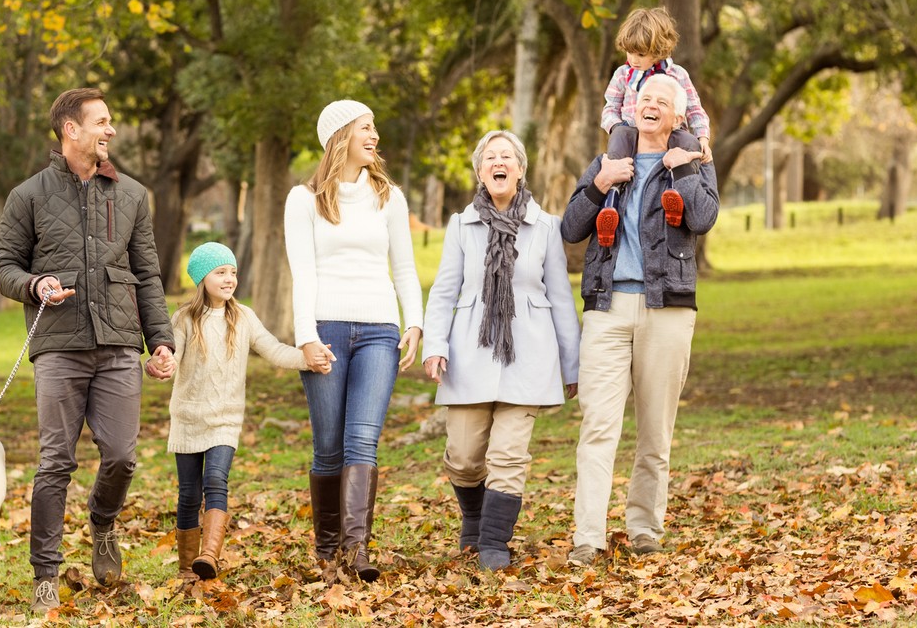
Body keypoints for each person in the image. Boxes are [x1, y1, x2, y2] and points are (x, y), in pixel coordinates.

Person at [0, 87, 176, 612]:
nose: (110, 131)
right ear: (71, 129)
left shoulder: (133, 196)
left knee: (121, 456)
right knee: (55, 462)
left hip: (119, 345)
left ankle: (102, 525)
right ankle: (45, 574)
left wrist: (160, 341)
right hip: (58, 348)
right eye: (101, 121)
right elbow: (4, 267)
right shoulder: (26, 196)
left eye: (110, 121)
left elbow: (148, 275)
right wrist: (35, 285)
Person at [561, 74, 719, 567]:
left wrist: (685, 171)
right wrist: (599, 185)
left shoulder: (692, 160)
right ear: (633, 109)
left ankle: (645, 527)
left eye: (662, 101)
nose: (651, 106)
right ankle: (588, 537)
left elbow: (704, 218)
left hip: (667, 309)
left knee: (655, 430)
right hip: (607, 309)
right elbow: (570, 228)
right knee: (598, 428)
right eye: (644, 99)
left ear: (677, 117)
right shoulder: (609, 159)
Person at [421, 130, 580, 570]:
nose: (499, 161)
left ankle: (494, 543)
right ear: (480, 172)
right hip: (470, 352)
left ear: (520, 168)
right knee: (465, 457)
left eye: (506, 155)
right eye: (490, 156)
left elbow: (561, 298)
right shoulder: (460, 224)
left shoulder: (546, 227)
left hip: (529, 353)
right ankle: (473, 518)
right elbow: (444, 291)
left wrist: (572, 364)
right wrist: (434, 344)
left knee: (508, 456)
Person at [284, 100, 424, 582]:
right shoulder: (303, 200)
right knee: (327, 445)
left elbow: (404, 268)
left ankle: (356, 548)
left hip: (379, 331)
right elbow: (302, 273)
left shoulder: (389, 196)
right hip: (325, 330)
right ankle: (327, 549)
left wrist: (415, 323)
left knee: (362, 439)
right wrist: (305, 337)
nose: (375, 136)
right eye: (367, 128)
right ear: (341, 135)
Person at [166, 242, 324, 581]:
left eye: (233, 272)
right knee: (189, 493)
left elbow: (275, 350)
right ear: (201, 278)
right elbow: (172, 357)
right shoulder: (184, 318)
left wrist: (308, 358)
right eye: (220, 272)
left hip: (225, 419)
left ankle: (209, 555)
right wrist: (160, 363)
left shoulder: (243, 317)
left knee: (215, 480)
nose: (229, 279)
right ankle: (186, 567)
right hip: (188, 418)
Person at [598, 6, 713, 247]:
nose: (632, 59)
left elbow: (693, 108)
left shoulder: (677, 75)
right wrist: (616, 125)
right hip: (631, 134)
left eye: (639, 54)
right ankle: (611, 204)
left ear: (658, 50)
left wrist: (702, 137)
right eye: (629, 52)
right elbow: (609, 108)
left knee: (686, 141)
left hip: (668, 133)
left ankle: (674, 197)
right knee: (619, 137)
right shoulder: (622, 74)